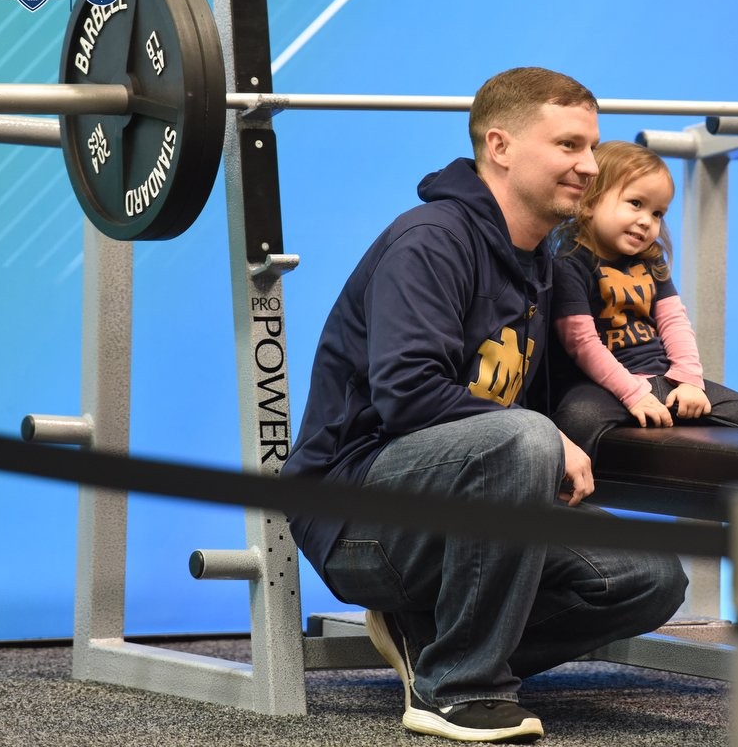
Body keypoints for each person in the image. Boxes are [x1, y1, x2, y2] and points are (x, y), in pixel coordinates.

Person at [282, 69, 688, 743]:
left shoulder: (547, 267)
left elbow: (567, 389)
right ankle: (458, 689)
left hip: (476, 500)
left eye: (591, 147)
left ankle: (434, 639)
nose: (589, 166)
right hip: (363, 520)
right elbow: (408, 392)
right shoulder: (431, 239)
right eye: (568, 145)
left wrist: (671, 393)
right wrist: (545, 444)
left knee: (650, 575)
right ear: (499, 145)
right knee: (524, 438)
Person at [549, 140, 738, 460]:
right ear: (589, 200)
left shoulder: (651, 260)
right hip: (603, 388)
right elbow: (581, 343)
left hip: (661, 378)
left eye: (657, 213)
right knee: (576, 420)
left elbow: (675, 322)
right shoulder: (570, 262)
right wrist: (632, 394)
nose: (646, 221)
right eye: (635, 203)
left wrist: (689, 380)